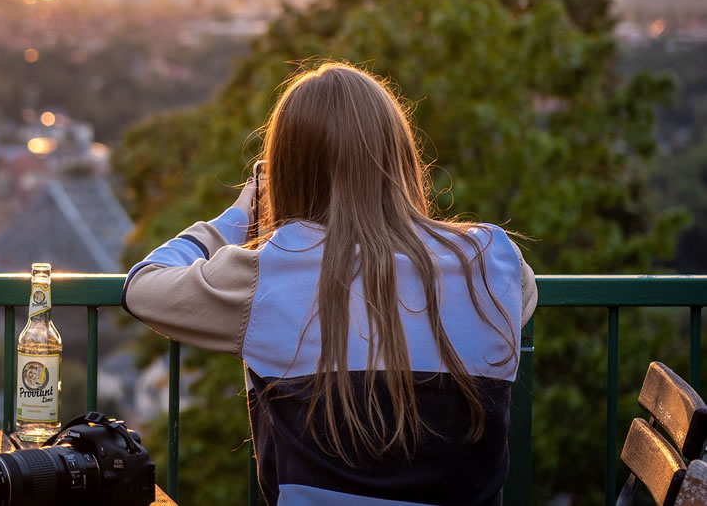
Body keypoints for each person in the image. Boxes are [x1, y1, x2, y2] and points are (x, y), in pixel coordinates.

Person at [122, 62, 536, 505]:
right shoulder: (493, 261)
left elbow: (143, 284)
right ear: (400, 157)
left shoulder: (272, 271)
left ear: (288, 173)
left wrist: (242, 211)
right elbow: (519, 299)